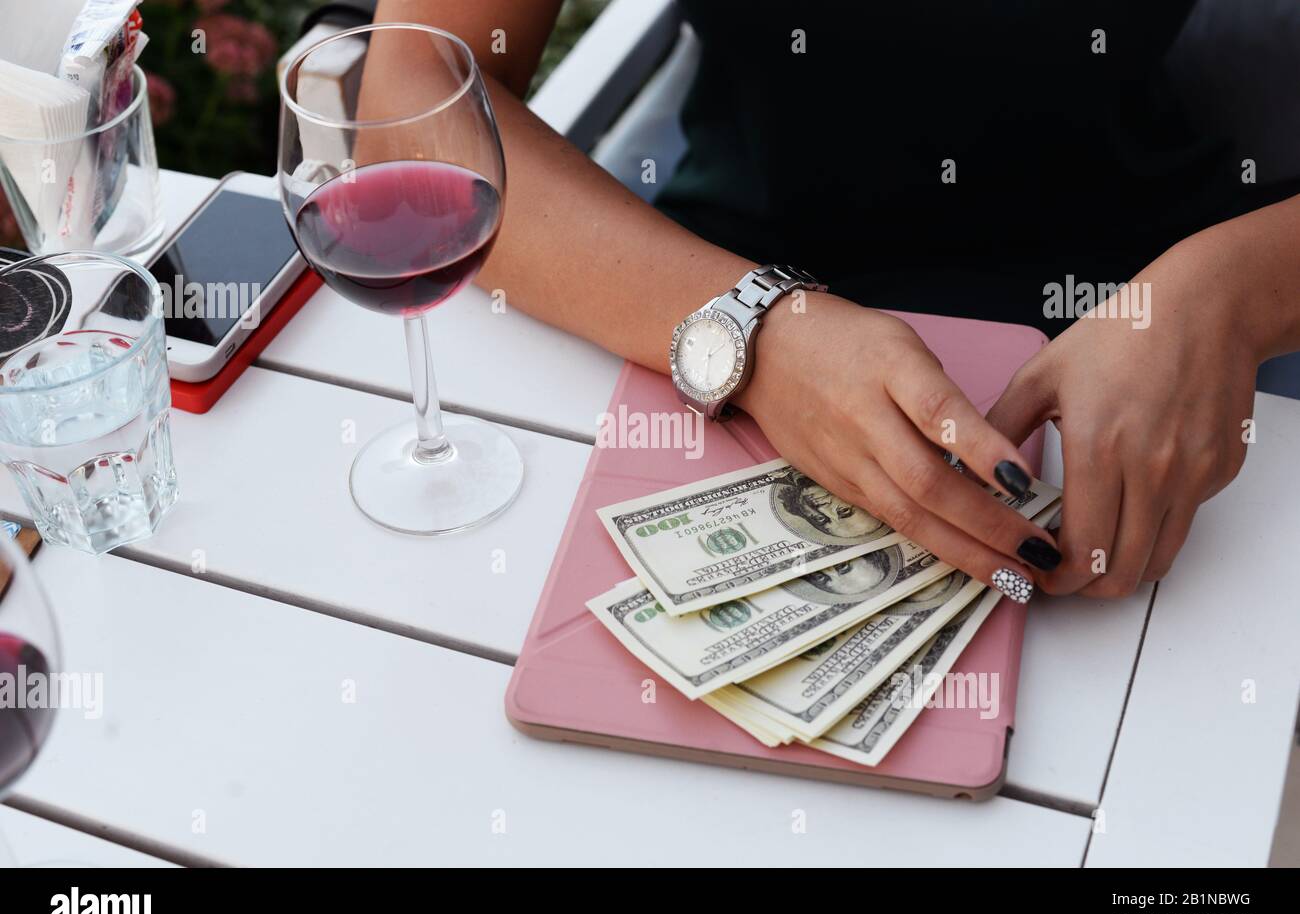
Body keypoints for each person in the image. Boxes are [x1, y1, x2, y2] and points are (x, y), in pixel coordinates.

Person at [369, 0, 1300, 604]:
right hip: (693, 290)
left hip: (1146, 322)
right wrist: (755, 326)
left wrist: (1234, 295)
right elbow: (413, 89)